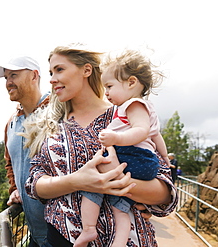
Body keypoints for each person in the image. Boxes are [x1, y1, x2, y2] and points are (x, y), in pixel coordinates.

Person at [23, 44, 178, 246]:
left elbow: (166, 193)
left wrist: (120, 184)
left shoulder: (125, 116)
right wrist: (77, 181)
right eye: (51, 72)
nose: (52, 79)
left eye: (59, 69)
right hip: (62, 238)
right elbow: (34, 183)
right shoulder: (49, 125)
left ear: (87, 70)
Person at [76, 50, 171, 247]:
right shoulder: (144, 107)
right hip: (144, 161)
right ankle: (116, 242)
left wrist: (116, 138)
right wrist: (165, 158)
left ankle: (88, 228)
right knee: (120, 208)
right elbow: (156, 136)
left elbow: (142, 131)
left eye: (110, 86)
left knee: (92, 178)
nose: (107, 92)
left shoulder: (133, 104)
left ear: (131, 83)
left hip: (135, 157)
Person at [0, 56, 49, 246]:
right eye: (6, 77)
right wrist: (15, 188)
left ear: (34, 76)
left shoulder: (58, 113)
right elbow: (10, 161)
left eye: (14, 75)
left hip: (65, 235)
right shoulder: (11, 124)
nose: (8, 82)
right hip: (36, 235)